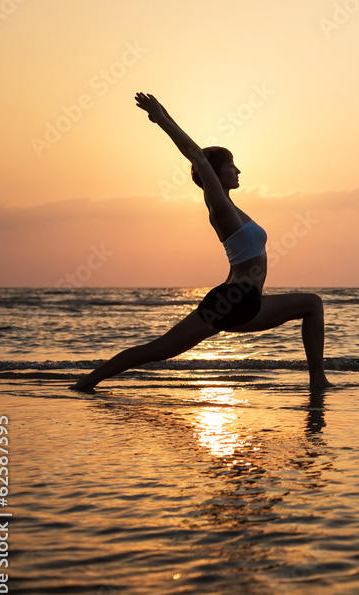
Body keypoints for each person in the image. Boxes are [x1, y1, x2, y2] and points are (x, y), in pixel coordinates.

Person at [73, 92, 330, 390]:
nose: (238, 170)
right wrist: (161, 120)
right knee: (311, 304)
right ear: (214, 173)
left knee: (159, 350)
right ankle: (318, 382)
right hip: (237, 301)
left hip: (238, 299)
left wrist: (164, 114)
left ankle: (86, 383)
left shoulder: (233, 209)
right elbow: (196, 155)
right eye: (231, 165)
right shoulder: (220, 207)